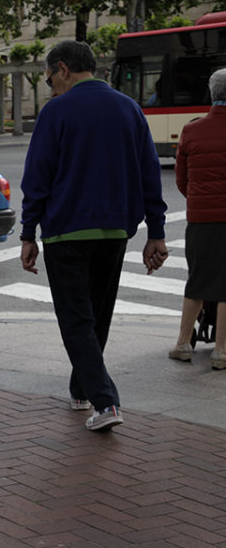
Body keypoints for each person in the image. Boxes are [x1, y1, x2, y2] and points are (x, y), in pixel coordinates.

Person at [20, 40, 168, 433]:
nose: (50, 86)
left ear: (64, 69)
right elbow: (149, 172)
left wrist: (28, 232)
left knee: (75, 321)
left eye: (50, 77)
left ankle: (106, 402)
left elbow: (37, 177)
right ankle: (81, 389)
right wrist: (156, 231)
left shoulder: (56, 111)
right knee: (96, 317)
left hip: (66, 233)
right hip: (115, 231)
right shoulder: (128, 108)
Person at [168, 68, 226, 369]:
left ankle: (183, 344)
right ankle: (221, 351)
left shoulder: (191, 130)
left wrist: (201, 201)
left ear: (212, 93)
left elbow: (182, 180)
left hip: (201, 218)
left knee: (198, 280)